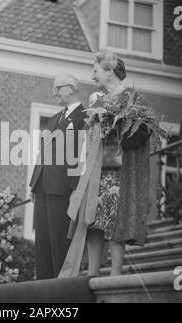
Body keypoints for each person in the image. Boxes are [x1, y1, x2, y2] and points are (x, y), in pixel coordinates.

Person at [60, 50, 151, 278]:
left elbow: (142, 134)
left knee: (116, 223)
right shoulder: (96, 101)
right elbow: (89, 139)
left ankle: (115, 277)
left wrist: (115, 130)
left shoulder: (134, 98)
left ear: (109, 71)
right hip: (97, 172)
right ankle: (92, 275)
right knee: (92, 221)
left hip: (121, 174)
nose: (92, 77)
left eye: (95, 71)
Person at [29, 74, 88, 279]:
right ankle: (43, 288)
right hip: (43, 187)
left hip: (63, 189)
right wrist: (34, 184)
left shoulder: (85, 117)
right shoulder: (54, 119)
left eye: (58, 88)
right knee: (43, 243)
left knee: (60, 242)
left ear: (71, 89)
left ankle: (60, 290)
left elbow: (83, 156)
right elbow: (43, 153)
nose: (54, 92)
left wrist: (75, 189)